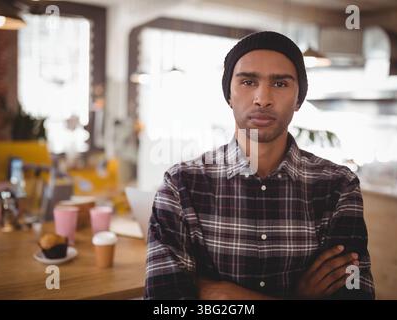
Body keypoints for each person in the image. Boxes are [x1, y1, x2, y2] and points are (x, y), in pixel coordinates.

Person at [144, 31, 375, 300]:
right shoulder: (181, 185)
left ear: (298, 98)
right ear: (228, 94)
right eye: (248, 81)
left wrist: (228, 295)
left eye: (280, 84)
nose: (262, 98)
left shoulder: (338, 186)